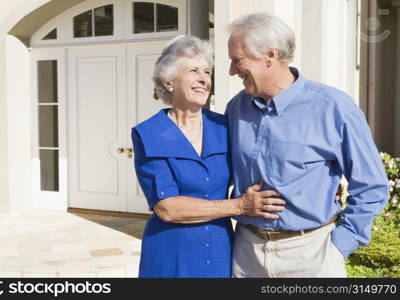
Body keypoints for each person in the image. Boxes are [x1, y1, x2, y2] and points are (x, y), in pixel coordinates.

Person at [225, 12, 389, 278]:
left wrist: (340, 245)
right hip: (246, 253)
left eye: (237, 60)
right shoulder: (236, 108)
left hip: (312, 255)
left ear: (270, 55)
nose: (231, 71)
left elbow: (372, 185)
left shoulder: (333, 107)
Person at [131, 35, 286, 278]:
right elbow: (167, 208)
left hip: (219, 250)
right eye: (194, 71)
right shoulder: (149, 134)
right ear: (168, 80)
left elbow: (257, 165)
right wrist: (239, 206)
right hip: (170, 252)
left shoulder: (225, 126)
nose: (204, 79)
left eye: (207, 72)